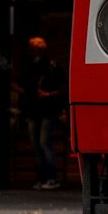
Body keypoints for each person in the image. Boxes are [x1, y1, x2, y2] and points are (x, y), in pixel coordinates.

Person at [18, 37, 66, 190]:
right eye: (33, 47)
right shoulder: (28, 65)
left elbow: (62, 85)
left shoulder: (51, 64)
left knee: (44, 142)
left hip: (48, 108)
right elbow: (24, 84)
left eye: (38, 48)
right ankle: (41, 178)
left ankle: (51, 178)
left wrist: (49, 94)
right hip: (33, 108)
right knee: (36, 145)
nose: (35, 51)